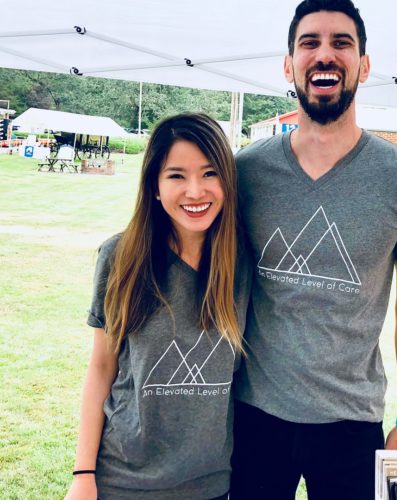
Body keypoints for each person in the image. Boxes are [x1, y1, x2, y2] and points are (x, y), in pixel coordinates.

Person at [230, 1, 397, 499]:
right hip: (254, 414)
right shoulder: (245, 173)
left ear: (365, 65)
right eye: (310, 43)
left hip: (352, 422)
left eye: (341, 43)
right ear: (289, 65)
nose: (325, 55)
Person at [65, 113, 251, 500]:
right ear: (154, 185)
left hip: (211, 485)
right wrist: (83, 474)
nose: (195, 191)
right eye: (177, 175)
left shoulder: (244, 263)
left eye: (210, 173)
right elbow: (101, 368)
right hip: (124, 482)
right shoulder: (120, 257)